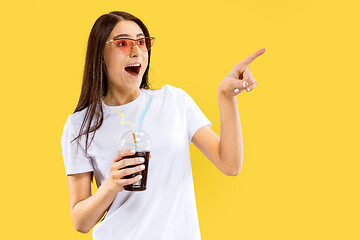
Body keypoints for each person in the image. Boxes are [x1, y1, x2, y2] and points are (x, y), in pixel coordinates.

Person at [60, 10, 265, 240]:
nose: (137, 51)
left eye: (141, 42)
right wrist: (111, 185)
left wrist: (226, 97)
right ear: (101, 55)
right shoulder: (80, 126)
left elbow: (230, 163)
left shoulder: (174, 101)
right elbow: (80, 221)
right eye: (124, 44)